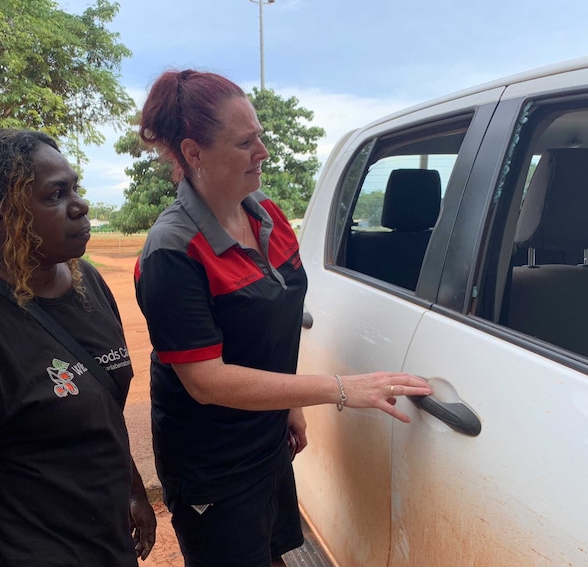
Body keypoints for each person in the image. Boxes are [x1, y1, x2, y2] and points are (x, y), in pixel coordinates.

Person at [134, 69, 434, 567]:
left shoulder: (266, 216)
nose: (264, 152)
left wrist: (289, 405)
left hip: (267, 438)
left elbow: (277, 320)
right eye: (245, 141)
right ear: (193, 153)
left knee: (272, 553)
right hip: (212, 460)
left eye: (260, 136)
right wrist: (337, 389)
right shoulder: (174, 250)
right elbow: (206, 381)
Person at [0, 129, 156, 566]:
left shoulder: (88, 284)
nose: (80, 205)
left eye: (75, 188)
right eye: (55, 195)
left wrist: (134, 489)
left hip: (107, 549)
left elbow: (101, 411)